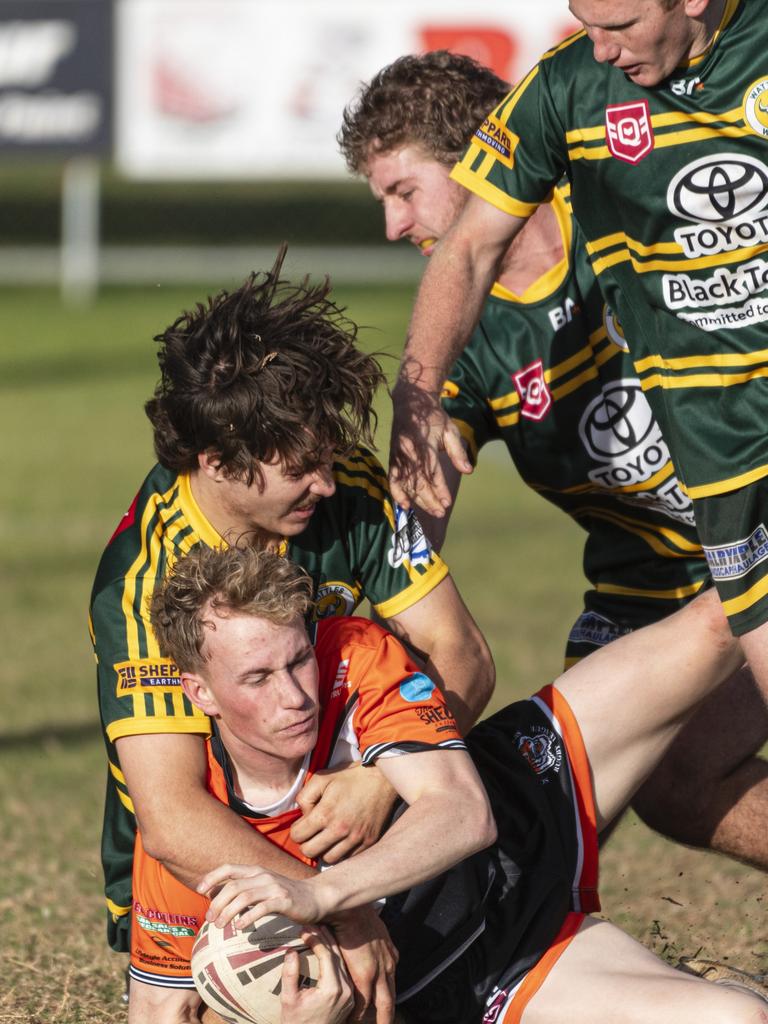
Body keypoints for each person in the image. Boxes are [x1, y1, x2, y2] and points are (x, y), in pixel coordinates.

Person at [338, 50, 768, 868]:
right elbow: (410, 544)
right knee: (560, 814)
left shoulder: (627, 207)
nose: (393, 226)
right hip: (643, 592)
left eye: (403, 191)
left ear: (480, 161)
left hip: (751, 534)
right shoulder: (459, 341)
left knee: (670, 776)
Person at [89, 250, 494, 1022]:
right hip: (205, 872)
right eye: (301, 469)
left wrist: (377, 783)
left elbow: (463, 659)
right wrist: (338, 911)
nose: (329, 484)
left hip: (355, 844)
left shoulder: (352, 494)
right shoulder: (142, 582)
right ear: (217, 462)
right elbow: (173, 819)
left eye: (327, 457)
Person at [149, 543, 767, 1024]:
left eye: (296, 659)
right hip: (502, 967)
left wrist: (324, 894)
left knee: (724, 614)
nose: (295, 696)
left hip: (530, 786)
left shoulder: (348, 655)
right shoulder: (199, 838)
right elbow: (168, 1009)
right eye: (257, 678)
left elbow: (465, 813)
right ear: (200, 692)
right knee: (740, 1017)